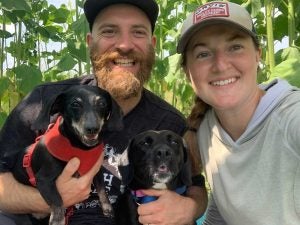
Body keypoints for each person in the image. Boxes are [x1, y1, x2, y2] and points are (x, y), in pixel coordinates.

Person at [0, 0, 208, 224]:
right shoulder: (44, 102)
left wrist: (190, 207)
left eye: (138, 32)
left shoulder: (170, 123)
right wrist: (48, 200)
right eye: (110, 31)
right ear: (90, 42)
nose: (125, 45)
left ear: (152, 44)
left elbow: (195, 186)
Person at [177, 1, 300, 225]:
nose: (221, 65)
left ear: (257, 55)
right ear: (187, 72)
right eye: (203, 54)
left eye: (235, 47)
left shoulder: (291, 115)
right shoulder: (204, 129)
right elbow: (224, 210)